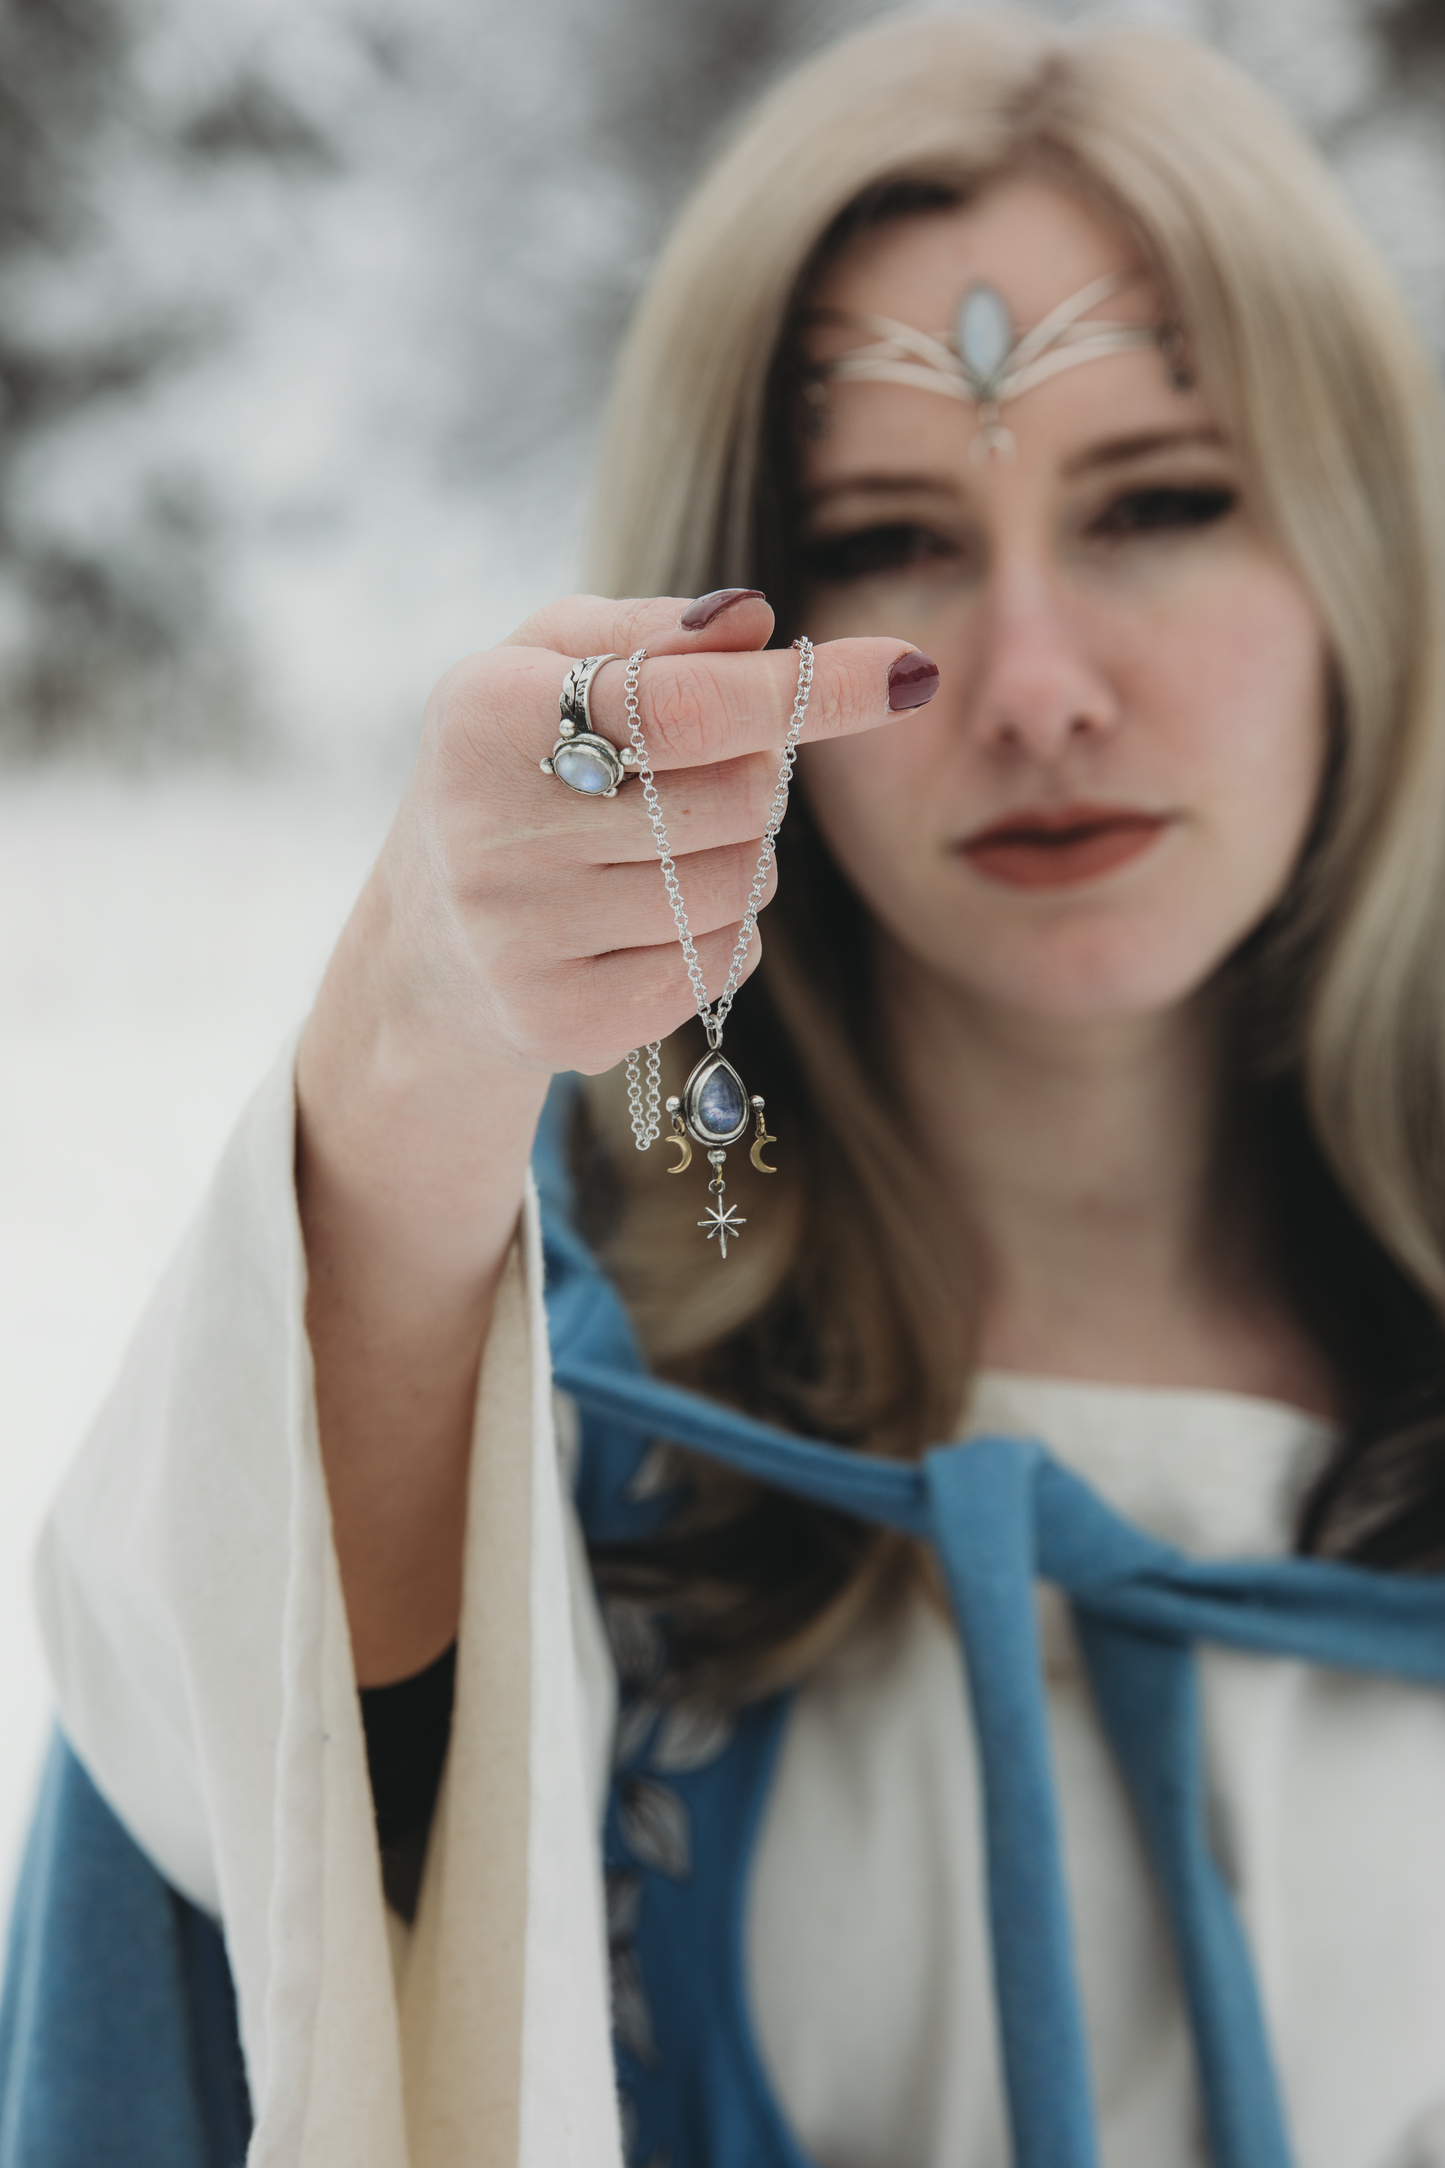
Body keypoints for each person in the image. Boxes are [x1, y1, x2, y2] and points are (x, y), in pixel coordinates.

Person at [6, 11, 1445, 2167]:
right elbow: (249, 1775)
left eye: (1156, 501)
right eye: (883, 537)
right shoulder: (560, 1378)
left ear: (1359, 559)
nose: (1038, 685)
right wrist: (421, 1017)